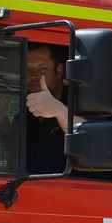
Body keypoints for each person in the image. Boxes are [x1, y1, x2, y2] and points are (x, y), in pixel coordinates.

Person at [23, 42, 71, 174]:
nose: (33, 76)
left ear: (59, 72)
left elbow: (96, 144)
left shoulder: (83, 104)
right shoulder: (22, 116)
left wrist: (60, 111)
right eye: (27, 70)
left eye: (42, 68)